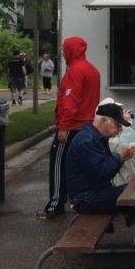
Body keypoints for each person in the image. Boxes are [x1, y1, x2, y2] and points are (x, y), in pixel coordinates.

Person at [65, 101, 135, 248]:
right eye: (117, 125)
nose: (120, 130)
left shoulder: (96, 137)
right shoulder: (87, 141)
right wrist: (120, 157)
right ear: (103, 121)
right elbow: (101, 172)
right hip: (86, 199)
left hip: (96, 192)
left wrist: (122, 158)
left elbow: (105, 172)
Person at [37, 36, 101, 219]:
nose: (64, 54)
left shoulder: (75, 71)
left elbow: (70, 103)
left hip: (72, 127)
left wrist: (63, 127)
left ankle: (55, 204)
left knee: (58, 164)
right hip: (89, 126)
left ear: (72, 50)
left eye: (65, 51)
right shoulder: (92, 70)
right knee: (84, 167)